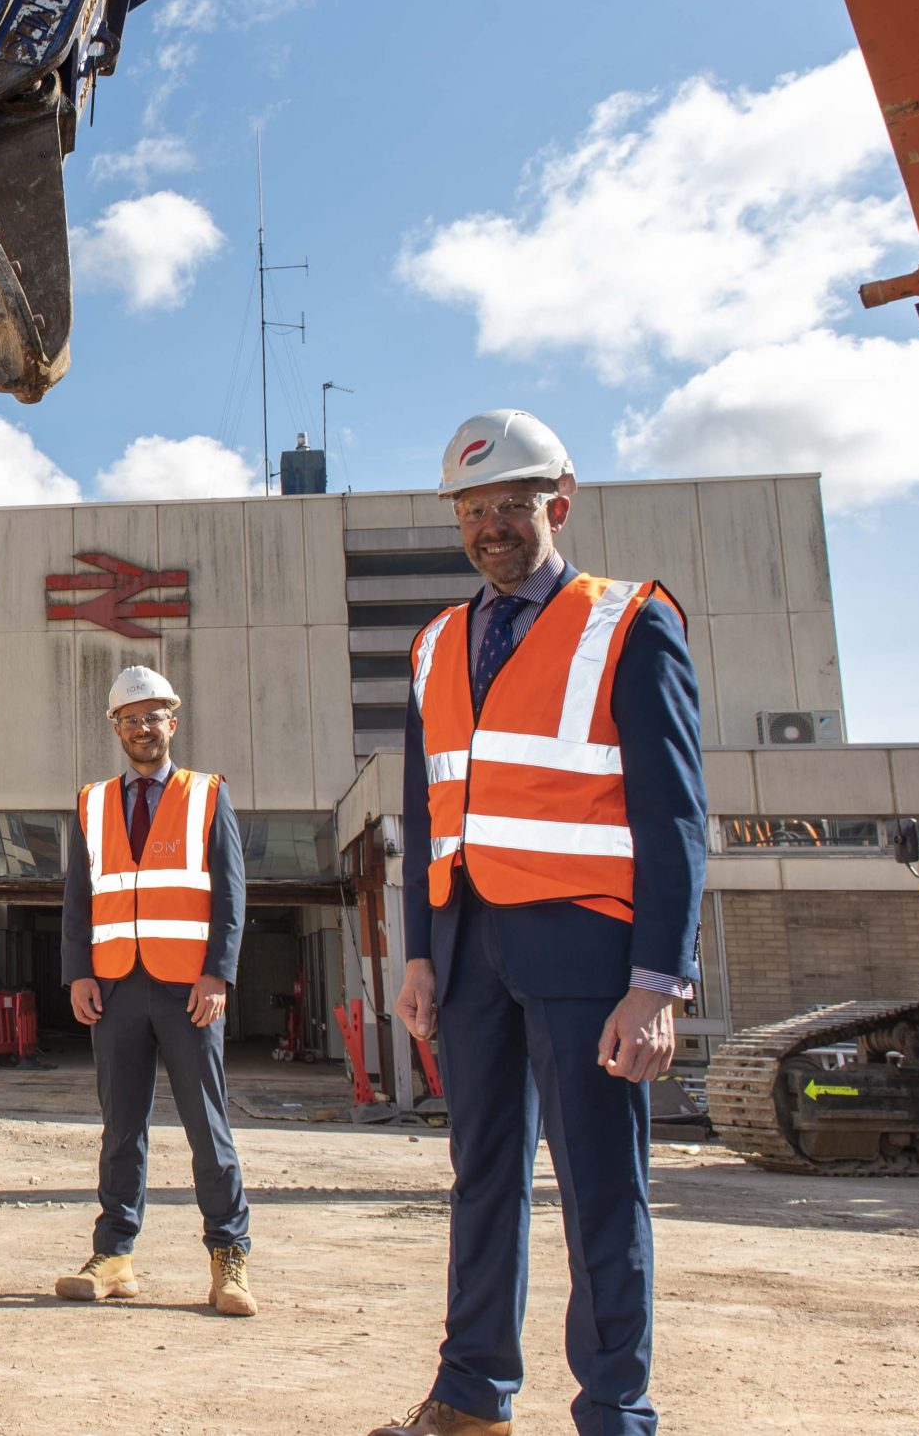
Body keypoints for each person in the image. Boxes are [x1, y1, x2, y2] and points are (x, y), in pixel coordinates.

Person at [370, 410, 705, 1436]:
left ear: (558, 500)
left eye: (511, 504)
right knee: (482, 1180)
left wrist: (657, 981)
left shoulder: (628, 620)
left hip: (587, 954)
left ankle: (614, 1409)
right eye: (473, 510)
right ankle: (471, 1394)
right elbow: (432, 806)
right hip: (468, 951)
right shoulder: (435, 643)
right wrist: (421, 953)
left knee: (601, 1188)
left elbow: (674, 813)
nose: (491, 526)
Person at [57, 665, 255, 1318]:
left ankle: (229, 1255)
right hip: (114, 986)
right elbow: (78, 899)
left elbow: (230, 891)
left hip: (187, 988)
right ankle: (114, 1253)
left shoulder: (207, 793)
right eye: (130, 718)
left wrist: (218, 973)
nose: (143, 727)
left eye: (154, 715)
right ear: (116, 728)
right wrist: (78, 971)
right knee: (121, 1126)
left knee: (207, 1125)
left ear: (174, 719)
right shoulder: (91, 801)